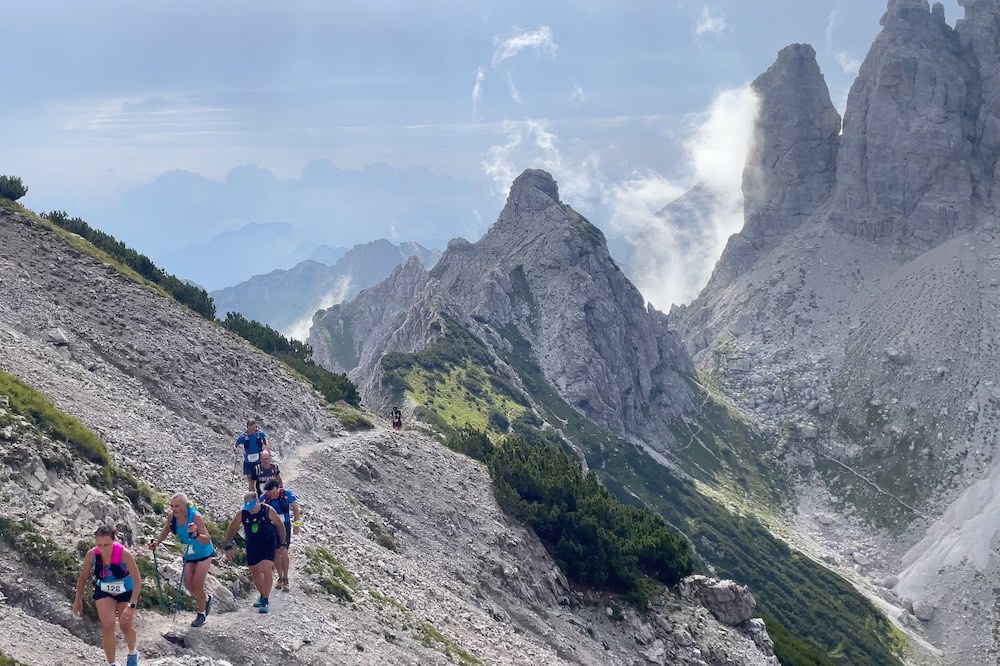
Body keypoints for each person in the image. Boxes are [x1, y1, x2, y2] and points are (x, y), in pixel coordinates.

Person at [73, 525, 143, 666]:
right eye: (99, 545)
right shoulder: (92, 555)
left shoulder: (124, 554)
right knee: (108, 625)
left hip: (126, 591)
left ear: (114, 541)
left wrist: (132, 605)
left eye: (107, 545)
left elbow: (137, 580)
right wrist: (77, 599)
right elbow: (83, 577)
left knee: (125, 625)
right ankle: (112, 663)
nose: (103, 549)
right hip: (104, 590)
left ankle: (132, 652)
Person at [149, 493, 215, 627]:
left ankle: (201, 613)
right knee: (189, 586)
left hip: (204, 553)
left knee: (197, 584)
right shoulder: (172, 518)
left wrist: (196, 534)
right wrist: (157, 542)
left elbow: (207, 538)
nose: (174, 509)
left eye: (177, 506)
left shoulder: (195, 516)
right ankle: (207, 599)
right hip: (189, 555)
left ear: (185, 505)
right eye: (172, 506)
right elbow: (167, 528)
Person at [222, 491, 287, 613]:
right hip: (252, 545)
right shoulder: (242, 514)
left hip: (267, 543)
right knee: (256, 571)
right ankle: (262, 595)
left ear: (257, 501)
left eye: (251, 506)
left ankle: (266, 599)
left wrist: (282, 544)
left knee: (266, 569)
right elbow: (231, 529)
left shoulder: (268, 510)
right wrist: (228, 545)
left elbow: (280, 526)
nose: (249, 510)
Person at [260, 479, 301, 591]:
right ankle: (280, 577)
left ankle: (286, 577)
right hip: (272, 527)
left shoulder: (286, 494)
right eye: (270, 493)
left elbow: (296, 508)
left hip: (285, 526)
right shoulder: (264, 498)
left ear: (278, 488)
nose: (272, 496)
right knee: (275, 554)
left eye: (274, 493)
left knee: (283, 551)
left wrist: (297, 525)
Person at [235, 418, 269, 491]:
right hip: (248, 461)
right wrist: (236, 449)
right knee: (250, 481)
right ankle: (252, 497)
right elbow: (236, 444)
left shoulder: (259, 434)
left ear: (256, 427)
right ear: (247, 427)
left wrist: (267, 446)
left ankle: (261, 495)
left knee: (260, 479)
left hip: (259, 460)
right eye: (250, 429)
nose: (252, 430)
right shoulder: (244, 436)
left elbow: (265, 439)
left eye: (253, 428)